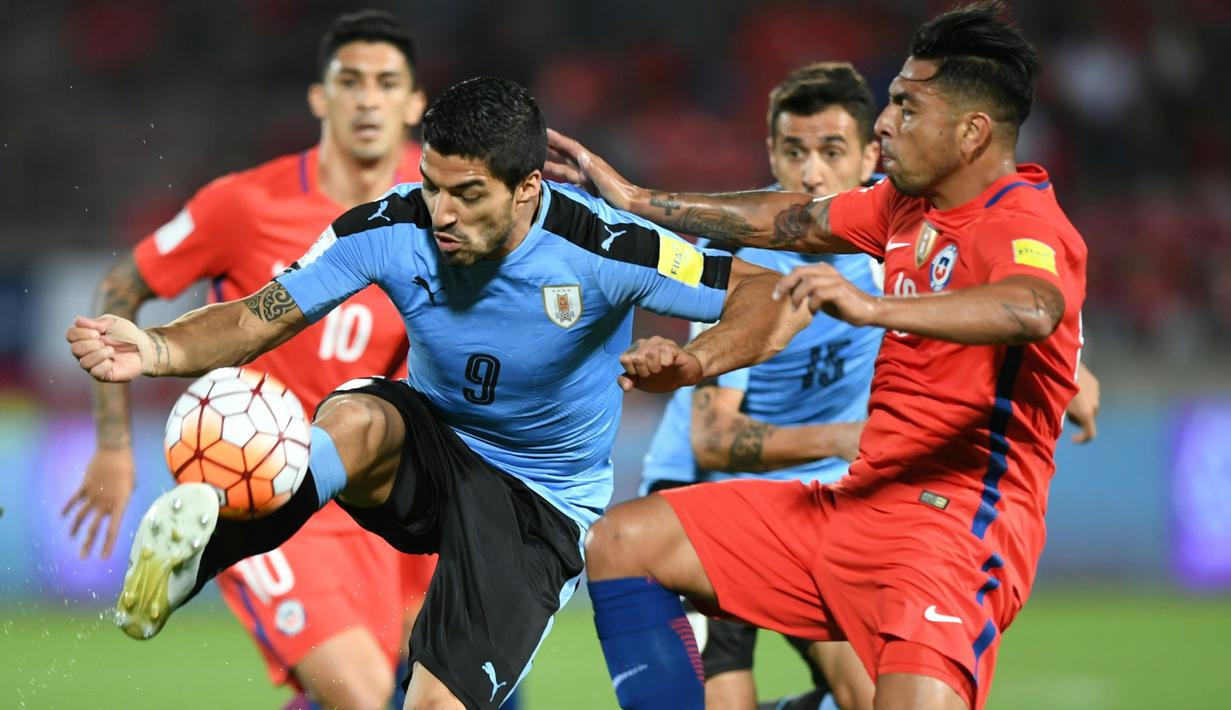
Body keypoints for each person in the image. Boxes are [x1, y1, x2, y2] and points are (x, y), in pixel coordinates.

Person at [66, 76, 809, 710]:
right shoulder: (392, 224)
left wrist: (696, 362)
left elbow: (766, 294)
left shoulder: (603, 245)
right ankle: (201, 555)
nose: (442, 212)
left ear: (527, 191)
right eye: (430, 184)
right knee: (354, 416)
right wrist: (159, 347)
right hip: (432, 443)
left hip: (537, 501)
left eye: (467, 194)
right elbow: (260, 317)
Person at [548, 2, 1089, 708]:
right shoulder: (903, 207)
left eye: (905, 105)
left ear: (970, 132)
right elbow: (789, 222)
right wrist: (635, 198)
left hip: (953, 538)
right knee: (620, 542)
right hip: (854, 505)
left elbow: (1032, 307)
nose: (886, 122)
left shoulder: (1021, 222)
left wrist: (874, 307)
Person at [60, 10, 437, 709]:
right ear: (320, 98)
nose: (366, 99)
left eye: (386, 83)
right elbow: (121, 289)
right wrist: (114, 445)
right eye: (348, 81)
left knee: (409, 692)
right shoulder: (244, 204)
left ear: (414, 105)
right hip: (257, 478)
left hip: (373, 494)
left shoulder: (433, 214)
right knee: (361, 696)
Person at [639, 62, 883, 710]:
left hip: (812, 497)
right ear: (770, 153)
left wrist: (1071, 369)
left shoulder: (902, 239)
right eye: (792, 151)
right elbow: (714, 439)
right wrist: (847, 438)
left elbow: (988, 285)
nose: (809, 175)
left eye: (831, 152)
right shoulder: (740, 269)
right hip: (703, 497)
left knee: (876, 697)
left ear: (870, 158)